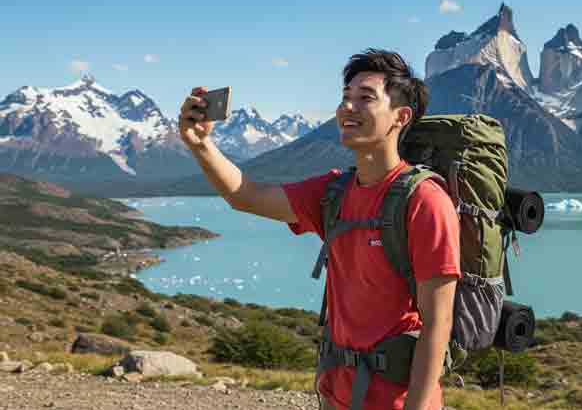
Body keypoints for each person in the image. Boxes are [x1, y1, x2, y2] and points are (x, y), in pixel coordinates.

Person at [178, 48, 461, 410]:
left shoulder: (424, 200)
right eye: (345, 98)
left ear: (400, 117)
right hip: (337, 396)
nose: (348, 108)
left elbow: (439, 324)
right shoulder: (333, 192)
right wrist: (200, 144)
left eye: (365, 98)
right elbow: (247, 196)